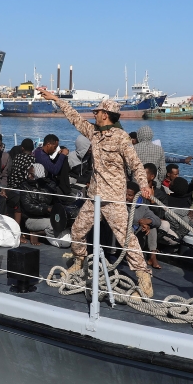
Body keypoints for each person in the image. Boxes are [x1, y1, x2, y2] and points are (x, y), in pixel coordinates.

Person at [37, 88, 154, 298]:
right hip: (94, 198)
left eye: (97, 111)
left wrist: (143, 185)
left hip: (113, 200)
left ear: (106, 114)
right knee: (78, 231)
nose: (94, 114)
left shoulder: (121, 138)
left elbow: (136, 165)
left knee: (127, 241)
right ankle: (80, 261)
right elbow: (74, 118)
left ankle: (145, 281)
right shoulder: (94, 133)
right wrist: (56, 99)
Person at [20, 163, 67, 246]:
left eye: (32, 174)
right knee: (54, 225)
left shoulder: (50, 186)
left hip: (48, 216)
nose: (28, 176)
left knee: (65, 222)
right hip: (31, 219)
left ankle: (39, 234)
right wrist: (46, 209)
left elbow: (57, 201)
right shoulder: (25, 186)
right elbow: (28, 206)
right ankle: (36, 234)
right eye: (28, 173)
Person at [127, 182, 163, 269]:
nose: (126, 197)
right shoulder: (120, 205)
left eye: (130, 195)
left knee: (152, 227)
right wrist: (139, 224)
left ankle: (152, 257)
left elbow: (158, 221)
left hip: (138, 236)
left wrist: (148, 221)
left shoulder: (142, 206)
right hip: (126, 238)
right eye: (125, 194)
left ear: (136, 196)